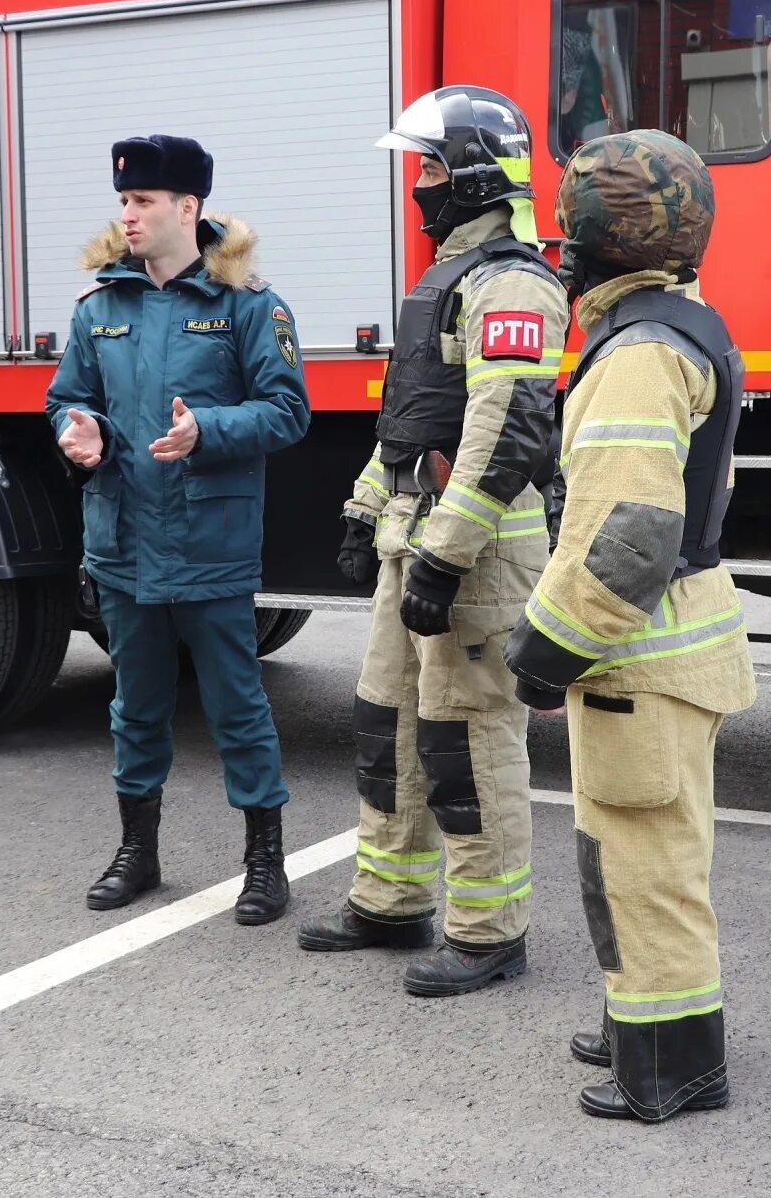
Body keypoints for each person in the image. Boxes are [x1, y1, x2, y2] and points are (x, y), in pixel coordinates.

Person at [502, 129, 755, 1121]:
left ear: (596, 234)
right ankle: (636, 1022)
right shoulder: (679, 322)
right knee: (642, 852)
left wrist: (542, 651)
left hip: (633, 657)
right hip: (673, 645)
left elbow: (625, 538)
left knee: (641, 864)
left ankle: (671, 1067)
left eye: (568, 221)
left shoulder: (635, 353)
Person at [299, 85, 567, 997]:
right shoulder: (445, 283)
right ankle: (389, 899)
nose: (419, 184)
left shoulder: (514, 282)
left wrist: (447, 553)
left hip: (479, 553)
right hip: (414, 538)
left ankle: (490, 931)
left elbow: (508, 429)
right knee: (388, 722)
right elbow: (415, 428)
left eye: (431, 167)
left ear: (475, 177)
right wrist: (363, 506)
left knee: (468, 738)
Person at [45, 133, 309, 926]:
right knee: (135, 705)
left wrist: (210, 430)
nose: (128, 214)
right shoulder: (100, 308)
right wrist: (77, 431)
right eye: (124, 201)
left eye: (144, 201)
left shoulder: (249, 305)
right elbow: (67, 397)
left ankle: (265, 860)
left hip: (209, 546)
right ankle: (139, 850)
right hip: (124, 544)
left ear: (187, 209)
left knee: (236, 707)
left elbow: (289, 409)